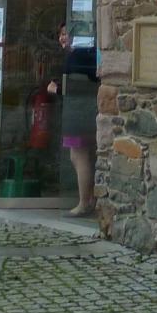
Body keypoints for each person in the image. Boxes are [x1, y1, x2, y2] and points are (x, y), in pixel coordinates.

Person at [45, 22, 98, 216]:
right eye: (61, 34)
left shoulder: (77, 56)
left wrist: (56, 89)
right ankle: (90, 198)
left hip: (78, 114)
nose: (62, 38)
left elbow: (75, 88)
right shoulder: (87, 55)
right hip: (86, 113)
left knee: (78, 155)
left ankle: (85, 202)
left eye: (66, 34)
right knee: (84, 155)